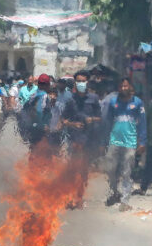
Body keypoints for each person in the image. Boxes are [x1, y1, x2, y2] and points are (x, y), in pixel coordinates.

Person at [103, 78, 147, 211]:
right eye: (121, 86)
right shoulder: (113, 102)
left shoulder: (138, 103)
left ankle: (125, 199)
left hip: (130, 142)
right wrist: (104, 140)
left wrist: (143, 141)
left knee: (126, 171)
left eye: (126, 85)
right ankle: (113, 192)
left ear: (130, 87)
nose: (123, 88)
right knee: (110, 168)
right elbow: (108, 122)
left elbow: (143, 123)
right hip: (114, 140)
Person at [62, 71, 103, 209]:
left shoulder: (94, 98)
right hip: (73, 140)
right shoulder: (70, 100)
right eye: (78, 81)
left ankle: (79, 197)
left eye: (83, 81)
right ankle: (69, 197)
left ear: (87, 82)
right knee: (72, 169)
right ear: (75, 83)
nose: (81, 83)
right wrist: (72, 124)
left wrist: (91, 119)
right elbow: (63, 120)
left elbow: (100, 117)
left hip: (88, 140)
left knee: (84, 171)